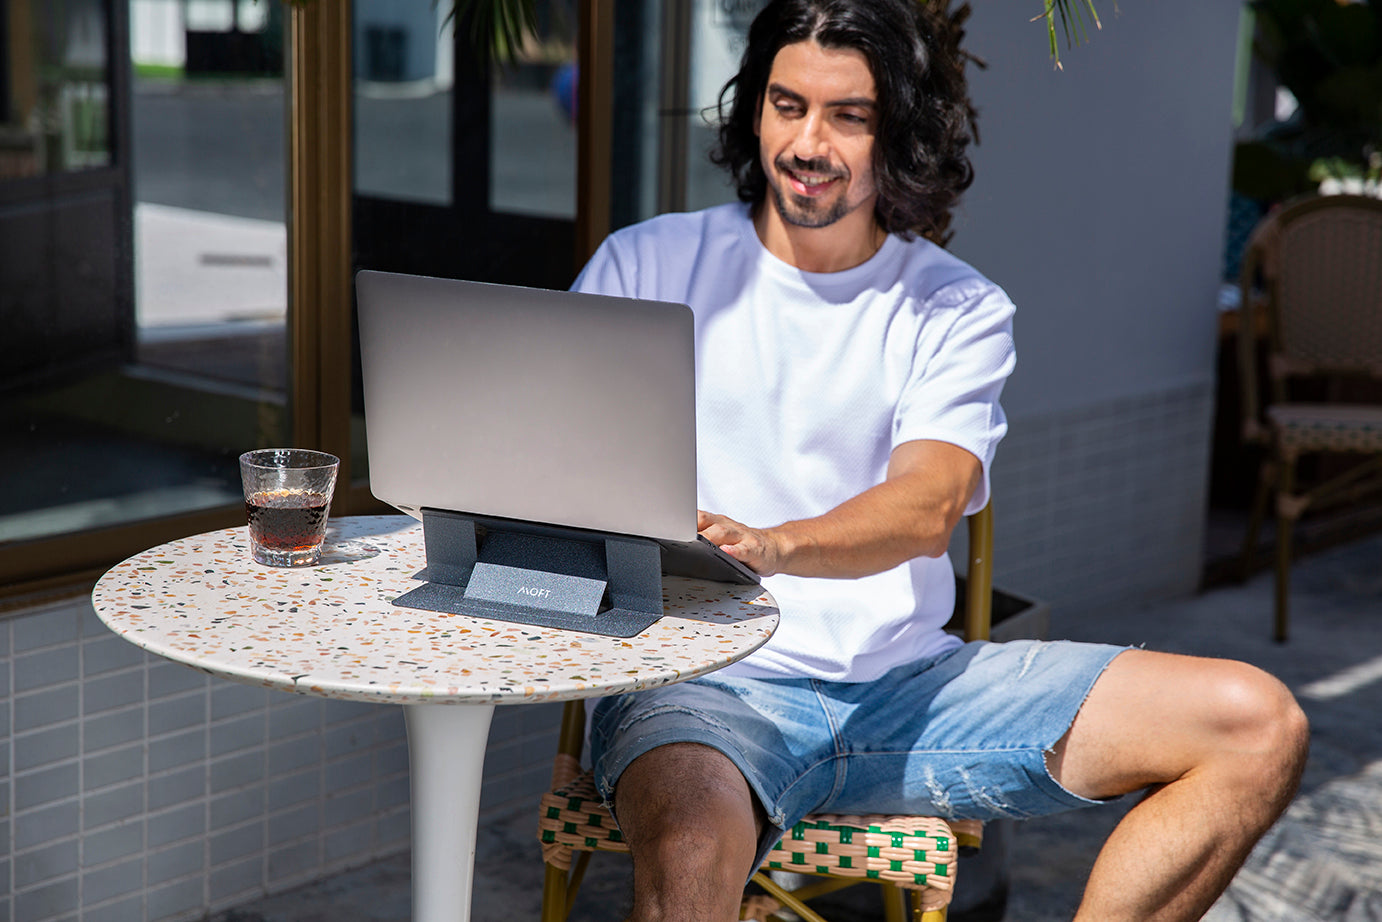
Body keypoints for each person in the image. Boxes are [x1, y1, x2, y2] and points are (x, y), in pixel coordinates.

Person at [571, 1, 1310, 919]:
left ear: (901, 135)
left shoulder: (955, 308)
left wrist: (773, 544)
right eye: (786, 104)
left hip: (909, 695)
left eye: (850, 116)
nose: (808, 142)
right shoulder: (645, 266)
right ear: (753, 111)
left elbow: (927, 505)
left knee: (1258, 724)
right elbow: (560, 471)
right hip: (703, 689)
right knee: (688, 851)